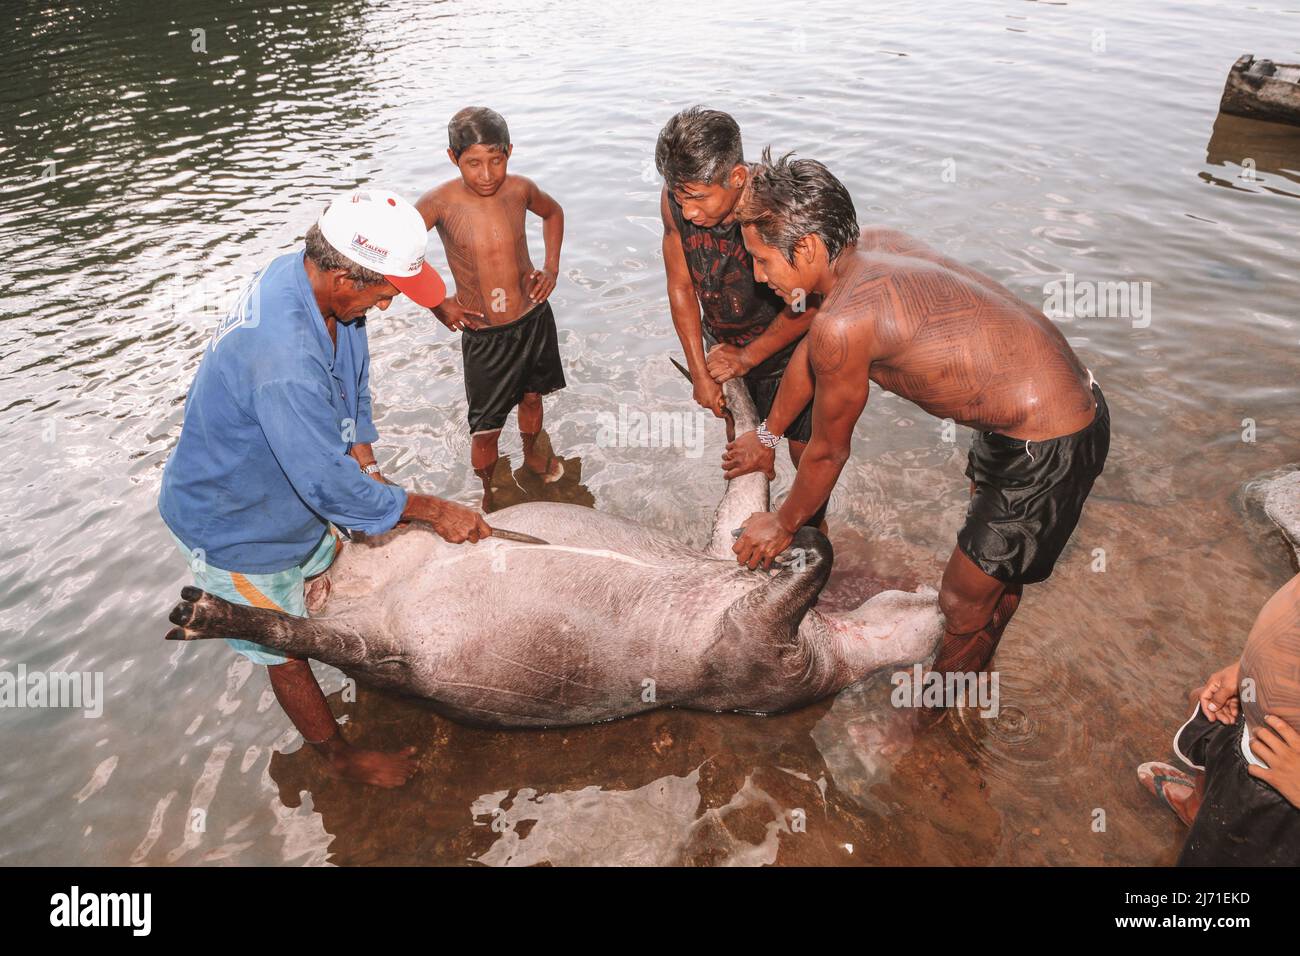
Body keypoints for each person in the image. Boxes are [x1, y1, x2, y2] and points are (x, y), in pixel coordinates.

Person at [725, 151, 1109, 680]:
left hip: (1050, 436)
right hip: (1028, 405)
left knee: (962, 602)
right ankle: (975, 660)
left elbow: (830, 449)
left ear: (808, 246)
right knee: (992, 571)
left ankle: (936, 715)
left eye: (763, 259)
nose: (757, 274)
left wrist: (784, 524)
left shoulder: (845, 322)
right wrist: (767, 437)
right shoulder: (875, 246)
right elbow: (810, 359)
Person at [159, 187, 491, 788]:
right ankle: (335, 754)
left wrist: (365, 462)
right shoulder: (283, 357)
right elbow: (322, 483)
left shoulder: (320, 292)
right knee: (282, 643)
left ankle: (365, 676)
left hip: (285, 490)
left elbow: (352, 382)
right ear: (343, 276)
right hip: (233, 521)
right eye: (386, 290)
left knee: (330, 584)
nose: (389, 304)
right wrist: (428, 509)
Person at [655, 107, 827, 530]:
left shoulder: (776, 210)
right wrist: (698, 369)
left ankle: (809, 538)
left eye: (697, 198)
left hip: (789, 350)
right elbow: (680, 284)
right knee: (746, 453)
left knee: (807, 459)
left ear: (736, 178)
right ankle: (752, 539)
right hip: (725, 347)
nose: (689, 211)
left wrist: (749, 357)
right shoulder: (677, 200)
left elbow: (809, 302)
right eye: (681, 196)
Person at [415, 107, 567, 511]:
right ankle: (490, 487)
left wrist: (550, 267)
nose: (486, 175)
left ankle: (533, 454)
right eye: (473, 164)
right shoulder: (438, 203)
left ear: (510, 152)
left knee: (533, 398)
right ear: (453, 158)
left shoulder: (520, 188)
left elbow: (553, 213)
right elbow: (401, 252)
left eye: (496, 161)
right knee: (486, 429)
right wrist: (437, 302)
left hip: (532, 318)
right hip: (485, 334)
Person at [1138, 572, 1300, 865]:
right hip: (1256, 731)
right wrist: (1248, 666)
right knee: (1209, 716)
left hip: (1282, 789)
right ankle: (1198, 808)